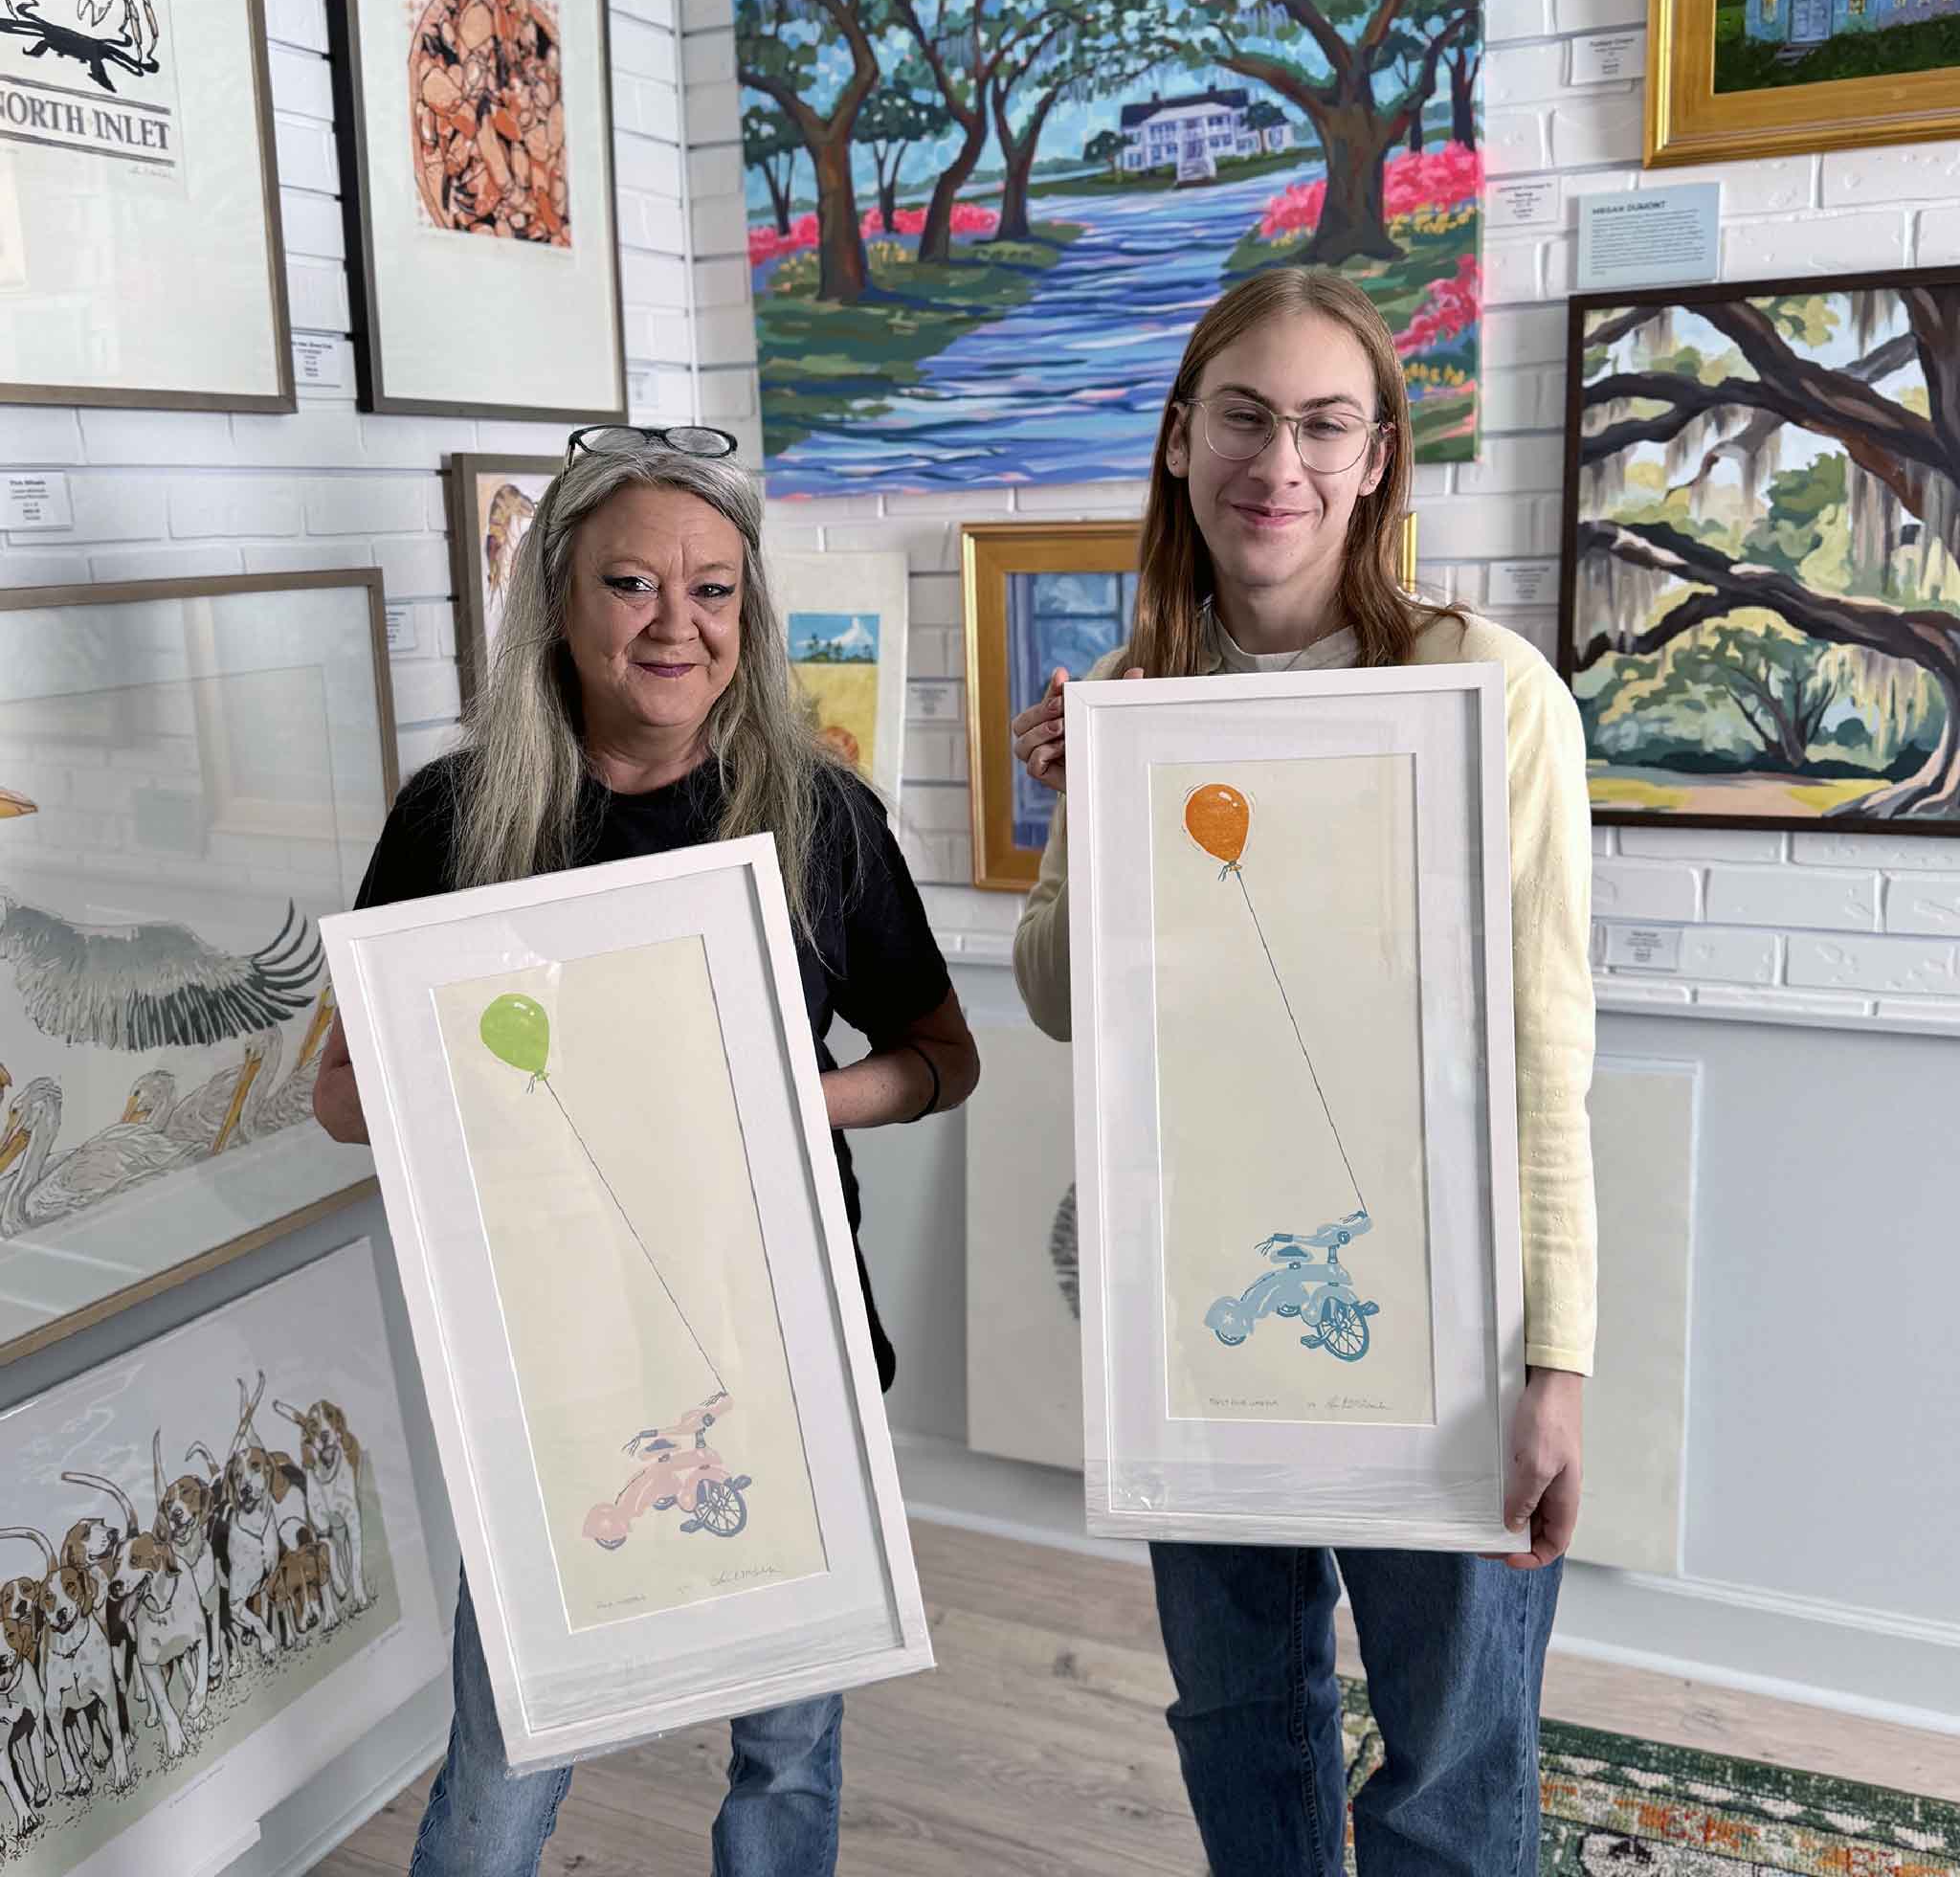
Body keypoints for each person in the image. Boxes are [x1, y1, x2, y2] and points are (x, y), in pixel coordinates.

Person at [314, 426, 980, 1877]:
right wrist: (480, 1102)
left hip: (780, 1341)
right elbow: (343, 1094)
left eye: (716, 591)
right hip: (557, 1358)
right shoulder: (456, 818)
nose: (677, 624)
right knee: (509, 1756)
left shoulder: (823, 820)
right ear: (559, 602)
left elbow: (944, 1058)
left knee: (788, 1753)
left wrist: (800, 1104)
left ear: (752, 618)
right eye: (631, 584)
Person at [1009, 267, 1594, 1876]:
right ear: (1182, 442)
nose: (1282, 462)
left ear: (1379, 456)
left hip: (1444, 1309)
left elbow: (1548, 1038)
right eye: (1246, 418)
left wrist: (1560, 1358)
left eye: (1326, 423)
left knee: (1455, 1750)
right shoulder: (1132, 707)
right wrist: (1088, 810)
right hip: (1201, 1296)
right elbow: (1064, 1004)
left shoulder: (1490, 690)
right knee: (1240, 1714)